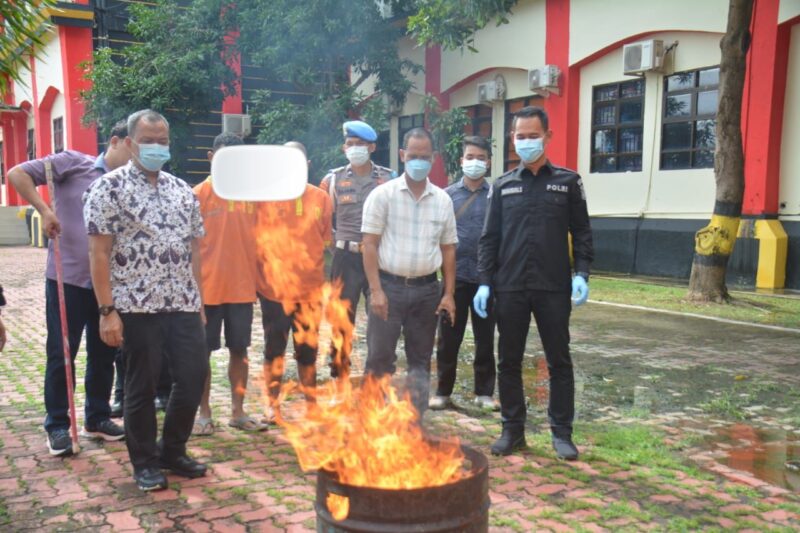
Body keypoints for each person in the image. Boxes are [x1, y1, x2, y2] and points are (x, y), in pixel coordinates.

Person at [84, 109, 208, 491]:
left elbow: (194, 251)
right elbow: (99, 253)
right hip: (136, 306)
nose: (156, 146)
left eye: (163, 140)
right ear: (130, 142)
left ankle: (173, 450)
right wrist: (108, 312)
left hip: (183, 303)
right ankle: (145, 463)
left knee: (192, 377)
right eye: (149, 140)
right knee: (141, 385)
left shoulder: (181, 189)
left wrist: (199, 301)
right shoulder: (108, 188)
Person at [475, 106, 593, 460]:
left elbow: (582, 232)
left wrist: (582, 274)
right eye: (519, 136)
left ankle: (562, 433)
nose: (526, 141)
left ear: (547, 136)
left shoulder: (568, 182)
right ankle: (513, 431)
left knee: (559, 360)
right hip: (509, 286)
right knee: (508, 361)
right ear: (512, 139)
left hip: (553, 287)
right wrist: (484, 282)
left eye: (532, 135)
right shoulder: (502, 185)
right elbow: (489, 238)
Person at [8, 122, 130, 456]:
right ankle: (58, 424)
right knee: (62, 353)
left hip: (108, 282)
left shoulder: (128, 183)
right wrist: (44, 209)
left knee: (106, 351)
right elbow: (17, 173)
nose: (136, 156)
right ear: (116, 142)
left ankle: (97, 416)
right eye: (132, 147)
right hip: (69, 278)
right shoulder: (73, 163)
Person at [361, 127, 457, 419]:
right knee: (380, 357)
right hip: (388, 289)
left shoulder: (442, 200)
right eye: (413, 156)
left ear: (433, 158)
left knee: (420, 360)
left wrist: (449, 294)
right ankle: (372, 419)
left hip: (428, 292)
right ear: (402, 155)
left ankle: (415, 424)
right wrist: (376, 290)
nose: (418, 162)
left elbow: (449, 250)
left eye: (424, 157)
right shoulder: (382, 196)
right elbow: (369, 245)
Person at [192, 132, 264, 435]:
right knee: (201, 354)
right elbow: (187, 248)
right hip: (206, 290)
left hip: (242, 289)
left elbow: (262, 241)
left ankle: (238, 411)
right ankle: (204, 414)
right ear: (211, 158)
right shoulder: (196, 195)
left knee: (240, 350)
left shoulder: (252, 196)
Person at [257, 141, 332, 423]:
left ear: (307, 165)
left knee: (308, 350)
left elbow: (325, 241)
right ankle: (272, 406)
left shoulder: (321, 198)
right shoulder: (264, 198)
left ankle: (311, 404)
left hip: (310, 289)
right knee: (274, 349)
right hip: (274, 289)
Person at [319, 121, 393, 378]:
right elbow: (325, 218)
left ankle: (379, 364)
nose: (355, 149)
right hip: (345, 256)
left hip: (379, 256)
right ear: (344, 148)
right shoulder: (332, 179)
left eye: (360, 144)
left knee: (380, 310)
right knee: (342, 312)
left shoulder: (387, 178)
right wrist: (331, 246)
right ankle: (339, 363)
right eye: (350, 144)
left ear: (372, 147)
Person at [429, 136, 498, 412]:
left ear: (488, 162)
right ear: (461, 161)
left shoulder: (496, 195)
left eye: (480, 157)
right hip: (452, 280)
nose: (475, 162)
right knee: (448, 339)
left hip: (485, 281)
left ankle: (484, 393)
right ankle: (443, 392)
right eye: (470, 157)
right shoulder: (446, 196)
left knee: (485, 339)